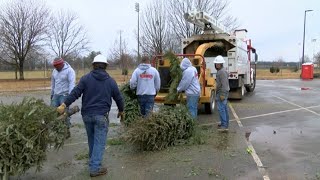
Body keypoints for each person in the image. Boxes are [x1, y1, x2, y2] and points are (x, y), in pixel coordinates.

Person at [56, 54, 124, 177]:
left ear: (93, 65)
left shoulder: (85, 79)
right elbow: (118, 98)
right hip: (101, 116)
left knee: (92, 139)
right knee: (99, 142)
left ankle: (93, 162)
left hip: (87, 115)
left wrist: (64, 104)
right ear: (105, 66)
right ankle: (95, 168)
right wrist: (121, 110)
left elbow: (75, 92)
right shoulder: (110, 81)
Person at [50, 57, 75, 138]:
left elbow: (72, 84)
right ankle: (58, 129)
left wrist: (70, 97)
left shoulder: (69, 71)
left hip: (65, 95)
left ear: (61, 64)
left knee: (64, 114)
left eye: (57, 66)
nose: (56, 67)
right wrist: (52, 93)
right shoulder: (54, 71)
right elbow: (53, 83)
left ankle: (66, 131)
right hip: (56, 95)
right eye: (54, 66)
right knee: (53, 113)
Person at [214, 55, 230, 132]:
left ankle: (224, 125)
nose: (216, 65)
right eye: (216, 63)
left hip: (222, 92)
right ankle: (225, 123)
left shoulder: (222, 72)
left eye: (218, 63)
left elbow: (224, 84)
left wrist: (222, 94)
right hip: (222, 92)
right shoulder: (221, 71)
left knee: (222, 109)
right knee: (224, 109)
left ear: (221, 64)